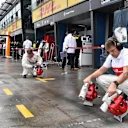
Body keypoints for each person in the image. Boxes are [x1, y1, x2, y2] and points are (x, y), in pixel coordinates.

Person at [83, 36, 128, 120]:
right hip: (123, 82)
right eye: (109, 52)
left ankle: (124, 98)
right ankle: (120, 97)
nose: (111, 53)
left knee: (116, 83)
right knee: (100, 78)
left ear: (119, 47)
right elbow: (101, 70)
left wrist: (114, 84)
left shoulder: (126, 54)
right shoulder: (111, 56)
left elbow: (126, 73)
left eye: (112, 51)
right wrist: (89, 77)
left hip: (126, 80)